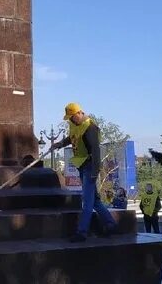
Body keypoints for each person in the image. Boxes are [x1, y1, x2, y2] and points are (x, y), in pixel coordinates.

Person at [52, 102, 118, 242]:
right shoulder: (74, 125)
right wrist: (59, 144)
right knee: (95, 201)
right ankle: (111, 224)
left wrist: (94, 172)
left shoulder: (90, 128)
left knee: (87, 201)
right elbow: (72, 138)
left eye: (72, 117)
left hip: (90, 167)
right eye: (69, 118)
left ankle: (82, 232)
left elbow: (95, 151)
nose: (70, 120)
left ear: (79, 113)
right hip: (81, 165)